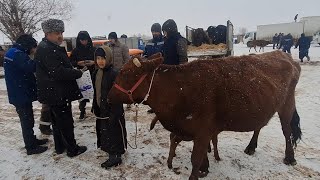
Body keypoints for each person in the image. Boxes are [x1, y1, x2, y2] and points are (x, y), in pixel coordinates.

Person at [35, 19, 87, 157]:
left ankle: (60, 147)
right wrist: (77, 72)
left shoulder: (46, 47)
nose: (60, 36)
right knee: (65, 122)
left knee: (57, 122)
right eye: (57, 33)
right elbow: (57, 72)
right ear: (47, 33)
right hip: (57, 94)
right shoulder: (47, 49)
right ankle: (72, 149)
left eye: (61, 32)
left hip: (54, 93)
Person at [4, 34, 48, 155]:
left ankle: (32, 140)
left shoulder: (13, 52)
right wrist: (41, 57)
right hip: (20, 94)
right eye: (33, 48)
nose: (33, 50)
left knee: (28, 119)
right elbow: (32, 67)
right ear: (27, 45)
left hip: (19, 92)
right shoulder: (17, 54)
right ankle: (31, 147)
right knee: (27, 121)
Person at [92, 46, 127, 168]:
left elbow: (118, 95)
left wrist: (115, 111)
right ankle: (109, 149)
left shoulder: (114, 73)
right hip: (101, 108)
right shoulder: (96, 73)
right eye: (98, 58)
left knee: (114, 131)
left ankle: (116, 155)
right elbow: (96, 91)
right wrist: (94, 105)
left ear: (109, 58)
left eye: (103, 58)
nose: (100, 61)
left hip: (113, 110)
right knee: (104, 130)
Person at [70, 31, 96, 120]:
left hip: (93, 73)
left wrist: (94, 62)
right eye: (82, 40)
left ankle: (95, 108)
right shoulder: (76, 51)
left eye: (85, 40)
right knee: (82, 93)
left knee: (95, 92)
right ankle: (82, 110)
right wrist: (78, 63)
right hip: (81, 74)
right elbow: (71, 62)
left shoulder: (93, 49)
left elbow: (100, 60)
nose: (84, 42)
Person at [144, 23, 164, 113]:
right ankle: (154, 106)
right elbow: (146, 53)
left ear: (160, 31)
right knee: (152, 89)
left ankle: (163, 105)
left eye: (156, 32)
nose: (154, 33)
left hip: (162, 68)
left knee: (162, 88)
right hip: (151, 69)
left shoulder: (165, 41)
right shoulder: (149, 42)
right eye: (153, 32)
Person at [108, 32, 131, 109]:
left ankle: (128, 102)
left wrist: (123, 69)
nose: (110, 40)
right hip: (111, 72)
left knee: (125, 88)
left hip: (120, 71)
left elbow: (127, 59)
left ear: (115, 38)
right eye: (109, 38)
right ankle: (116, 102)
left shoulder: (123, 47)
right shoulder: (108, 47)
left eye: (111, 38)